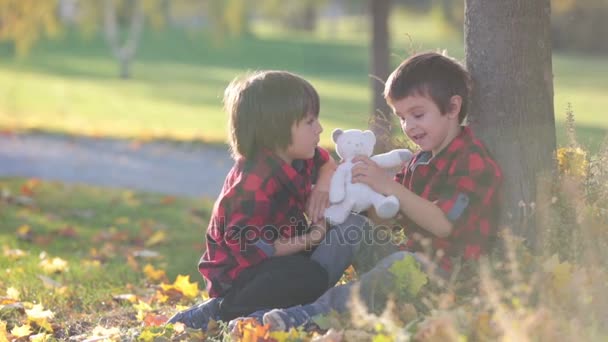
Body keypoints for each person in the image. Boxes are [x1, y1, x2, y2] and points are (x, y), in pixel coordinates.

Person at [245, 51, 503, 331]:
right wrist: (359, 196)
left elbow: (443, 225)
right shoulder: (420, 160)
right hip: (403, 267)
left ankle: (311, 315)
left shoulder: (472, 160)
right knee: (353, 226)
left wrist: (386, 184)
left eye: (417, 114)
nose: (409, 126)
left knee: (405, 261)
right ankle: (293, 297)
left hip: (447, 281)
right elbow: (389, 221)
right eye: (402, 117)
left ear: (453, 108)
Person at [166, 70, 370, 330]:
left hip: (286, 254)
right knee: (305, 275)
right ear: (278, 129)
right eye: (310, 122)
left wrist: (322, 186)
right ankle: (221, 311)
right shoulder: (251, 184)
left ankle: (284, 307)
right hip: (244, 275)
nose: (319, 128)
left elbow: (327, 162)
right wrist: (312, 238)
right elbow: (255, 248)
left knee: (351, 226)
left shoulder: (300, 155)